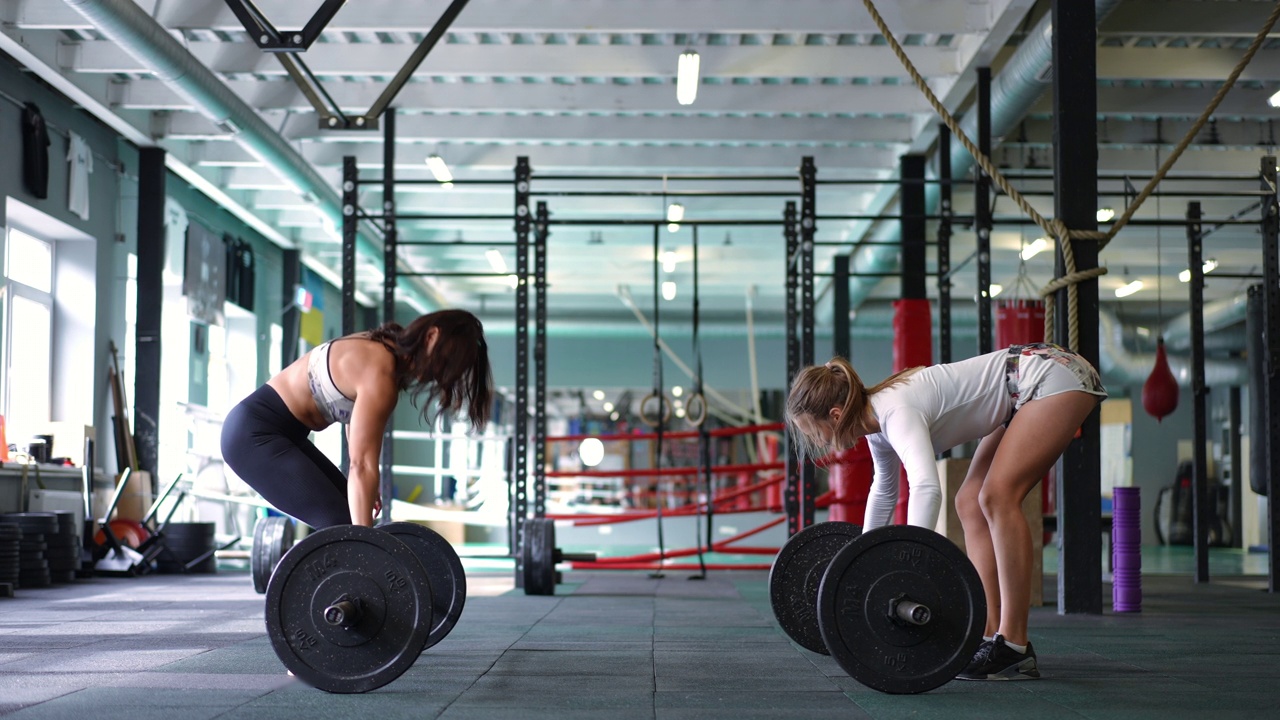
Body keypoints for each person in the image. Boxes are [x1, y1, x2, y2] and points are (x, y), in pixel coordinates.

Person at [786, 342, 1106, 681]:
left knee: (997, 497)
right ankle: (989, 632)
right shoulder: (876, 427)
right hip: (1020, 392)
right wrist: (862, 564)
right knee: (969, 501)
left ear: (835, 415)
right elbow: (884, 491)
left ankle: (1014, 646)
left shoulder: (895, 411)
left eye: (813, 433)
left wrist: (910, 562)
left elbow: (926, 486)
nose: (818, 442)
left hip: (1052, 376)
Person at [221, 309, 493, 529]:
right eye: (447, 361)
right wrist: (365, 548)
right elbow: (361, 465)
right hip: (254, 434)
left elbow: (355, 423)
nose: (442, 374)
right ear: (432, 336)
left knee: (350, 514)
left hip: (280, 432)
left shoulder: (384, 346)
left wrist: (367, 487)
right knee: (343, 525)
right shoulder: (381, 373)